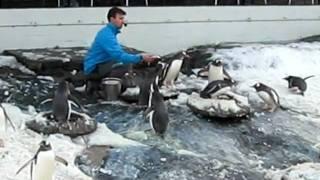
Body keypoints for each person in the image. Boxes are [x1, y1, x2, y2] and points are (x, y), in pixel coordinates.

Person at [83, 6, 157, 83]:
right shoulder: (106, 35)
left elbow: (117, 52)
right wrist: (141, 57)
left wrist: (139, 56)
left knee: (130, 57)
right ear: (112, 19)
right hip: (94, 68)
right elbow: (118, 56)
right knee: (125, 65)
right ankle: (120, 89)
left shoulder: (109, 32)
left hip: (102, 63)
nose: (123, 21)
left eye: (123, 18)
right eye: (120, 18)